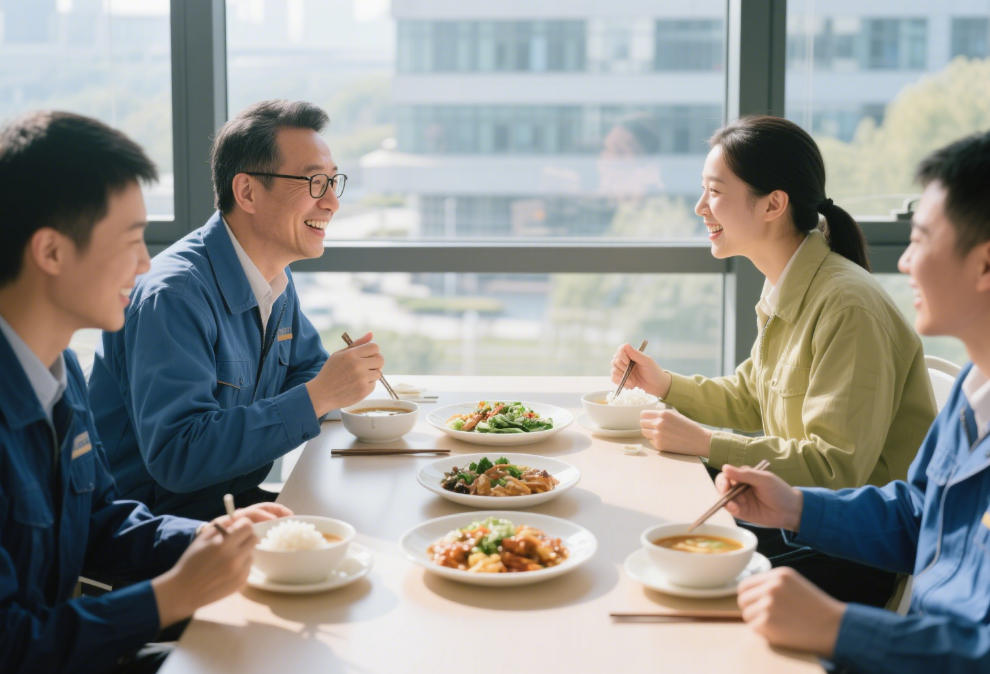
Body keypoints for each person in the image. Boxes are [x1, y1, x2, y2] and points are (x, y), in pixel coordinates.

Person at [0, 110, 290, 673]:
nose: (144, 264)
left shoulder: (59, 370)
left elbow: (100, 518)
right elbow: (12, 645)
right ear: (52, 252)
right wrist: (174, 595)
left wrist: (212, 537)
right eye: (131, 240)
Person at [610, 115, 936, 605]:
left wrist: (705, 441)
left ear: (774, 204)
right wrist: (664, 384)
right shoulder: (790, 283)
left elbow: (835, 469)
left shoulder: (847, 306)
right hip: (795, 524)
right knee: (644, 533)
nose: (701, 207)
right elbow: (752, 395)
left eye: (715, 192)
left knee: (661, 574)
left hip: (850, 554)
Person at [719, 129, 990, 673]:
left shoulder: (848, 302)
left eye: (921, 240)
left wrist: (837, 627)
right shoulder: (972, 389)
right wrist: (795, 506)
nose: (906, 262)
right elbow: (917, 515)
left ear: (984, 264)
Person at [88, 100, 384, 520]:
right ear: (246, 192)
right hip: (153, 527)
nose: (332, 202)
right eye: (315, 182)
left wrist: (341, 381)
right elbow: (179, 457)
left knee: (372, 517)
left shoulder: (273, 276)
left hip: (229, 503)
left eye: (334, 181)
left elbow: (307, 370)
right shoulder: (174, 295)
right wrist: (320, 394)